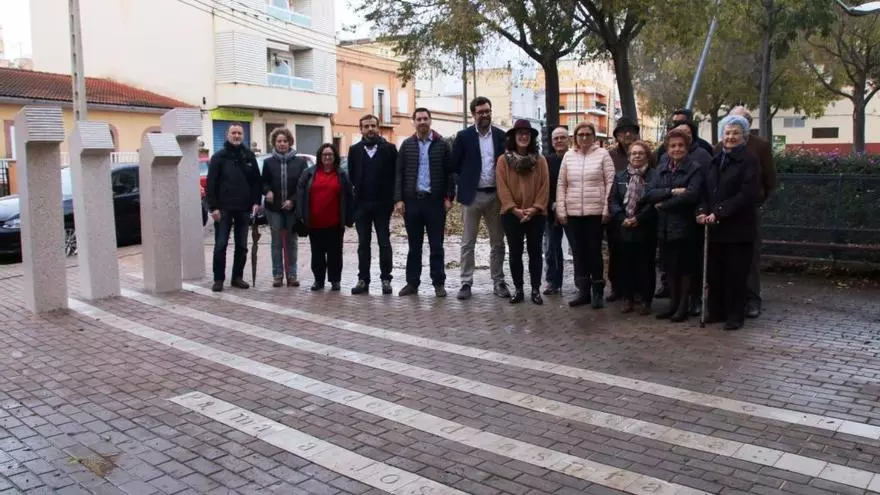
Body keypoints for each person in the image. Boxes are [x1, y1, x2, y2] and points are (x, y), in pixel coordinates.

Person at [698, 115, 760, 331]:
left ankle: (735, 315)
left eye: (736, 133)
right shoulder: (715, 160)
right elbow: (706, 190)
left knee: (736, 274)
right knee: (716, 272)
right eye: (727, 133)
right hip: (716, 229)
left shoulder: (749, 161)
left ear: (744, 137)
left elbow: (747, 194)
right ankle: (717, 311)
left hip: (738, 229)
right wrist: (702, 211)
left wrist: (720, 212)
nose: (731, 137)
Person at [719, 106, 776, 318]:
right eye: (731, 121)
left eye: (740, 121)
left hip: (748, 209)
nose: (734, 126)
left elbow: (770, 178)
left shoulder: (760, 146)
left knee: (750, 257)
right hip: (723, 211)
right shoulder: (720, 146)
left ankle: (752, 299)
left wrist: (758, 198)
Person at [452, 97, 510, 300]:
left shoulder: (501, 136)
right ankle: (466, 282)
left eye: (487, 111)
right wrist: (463, 183)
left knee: (498, 242)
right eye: (480, 112)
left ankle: (498, 281)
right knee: (468, 242)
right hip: (472, 196)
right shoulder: (464, 136)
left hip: (496, 196)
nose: (485, 115)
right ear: (473, 114)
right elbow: (455, 166)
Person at [643, 128, 703, 322]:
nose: (677, 149)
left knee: (685, 268)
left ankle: (683, 306)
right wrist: (672, 191)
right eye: (673, 146)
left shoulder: (695, 168)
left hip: (685, 227)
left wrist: (664, 205)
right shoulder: (662, 167)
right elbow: (650, 193)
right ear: (667, 149)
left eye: (680, 145)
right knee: (669, 268)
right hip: (664, 228)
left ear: (687, 147)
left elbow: (691, 195)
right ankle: (673, 304)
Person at [394, 108, 455, 297]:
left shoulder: (442, 144)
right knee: (414, 247)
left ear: (430, 120)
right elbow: (399, 174)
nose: (422, 122)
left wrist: (449, 197)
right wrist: (398, 199)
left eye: (425, 119)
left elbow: (450, 174)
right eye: (419, 119)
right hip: (412, 203)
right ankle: (412, 283)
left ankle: (439, 283)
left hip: (435, 203)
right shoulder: (407, 145)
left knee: (436, 246)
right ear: (414, 122)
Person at [556, 122, 615, 309]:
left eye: (587, 134)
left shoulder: (603, 155)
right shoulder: (568, 156)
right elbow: (561, 184)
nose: (583, 137)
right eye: (580, 134)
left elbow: (610, 183)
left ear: (594, 137)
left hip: (595, 212)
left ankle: (597, 291)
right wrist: (561, 210)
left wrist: (607, 208)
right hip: (573, 213)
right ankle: (583, 292)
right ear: (575, 137)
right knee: (578, 253)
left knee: (594, 253)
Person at [496, 119, 550, 305]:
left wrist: (535, 209)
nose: (523, 136)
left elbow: (545, 186)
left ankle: (535, 290)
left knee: (535, 252)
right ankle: (518, 289)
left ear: (531, 137)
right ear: (514, 137)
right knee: (515, 253)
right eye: (520, 133)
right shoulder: (503, 161)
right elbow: (502, 187)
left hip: (536, 215)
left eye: (527, 133)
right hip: (511, 215)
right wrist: (514, 209)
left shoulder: (540, 160)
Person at [205, 123, 262, 292]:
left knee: (242, 246)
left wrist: (256, 202)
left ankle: (237, 277)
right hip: (223, 209)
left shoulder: (249, 156)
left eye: (239, 133)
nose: (236, 136)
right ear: (227, 135)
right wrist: (213, 208)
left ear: (243, 136)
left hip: (244, 208)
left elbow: (256, 182)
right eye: (233, 133)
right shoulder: (218, 157)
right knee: (221, 245)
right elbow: (211, 184)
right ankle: (218, 279)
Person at [348, 114, 399, 295]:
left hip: (383, 205)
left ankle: (386, 279)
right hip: (361, 205)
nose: (370, 129)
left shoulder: (390, 149)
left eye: (373, 126)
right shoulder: (354, 150)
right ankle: (363, 280)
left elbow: (396, 176)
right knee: (363, 244)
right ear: (361, 129)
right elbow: (352, 176)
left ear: (378, 128)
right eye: (366, 126)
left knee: (384, 243)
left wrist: (395, 200)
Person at [296, 144, 354, 292]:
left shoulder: (342, 174)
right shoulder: (309, 173)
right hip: (314, 222)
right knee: (317, 254)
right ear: (320, 157)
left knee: (335, 254)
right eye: (324, 155)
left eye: (330, 154)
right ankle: (318, 280)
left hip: (335, 223)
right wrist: (300, 215)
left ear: (335, 157)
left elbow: (349, 196)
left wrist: (349, 217)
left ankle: (335, 280)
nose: (327, 157)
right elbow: (300, 194)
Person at [608, 140, 657, 315]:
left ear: (647, 156)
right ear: (629, 157)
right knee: (625, 265)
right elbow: (613, 200)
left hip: (645, 227)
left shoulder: (654, 176)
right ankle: (627, 298)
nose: (637, 156)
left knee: (646, 265)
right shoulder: (620, 176)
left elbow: (653, 201)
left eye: (641, 153)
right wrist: (622, 218)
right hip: (624, 227)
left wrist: (638, 218)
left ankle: (646, 300)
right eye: (634, 153)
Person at [261, 127, 308, 288]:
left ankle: (292, 274)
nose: (282, 144)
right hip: (274, 209)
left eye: (285, 141)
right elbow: (263, 182)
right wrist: (267, 191)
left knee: (291, 242)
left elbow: (303, 186)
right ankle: (277, 274)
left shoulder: (300, 162)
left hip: (292, 209)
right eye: (279, 141)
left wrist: (292, 201)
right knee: (276, 242)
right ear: (274, 143)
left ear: (290, 142)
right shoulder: (268, 162)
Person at [605, 116, 640, 303]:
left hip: (639, 214)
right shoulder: (610, 156)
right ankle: (617, 287)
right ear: (617, 135)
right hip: (616, 213)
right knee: (616, 252)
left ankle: (637, 289)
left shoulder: (643, 152)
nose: (627, 134)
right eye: (622, 132)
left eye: (630, 131)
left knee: (638, 254)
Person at [543, 126, 570, 295]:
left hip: (573, 209)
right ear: (552, 142)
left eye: (562, 137)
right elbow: (542, 186)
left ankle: (582, 282)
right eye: (556, 138)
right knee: (552, 247)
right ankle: (553, 281)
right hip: (551, 210)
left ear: (569, 139)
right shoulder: (546, 161)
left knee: (577, 246)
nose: (559, 141)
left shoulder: (575, 158)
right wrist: (551, 203)